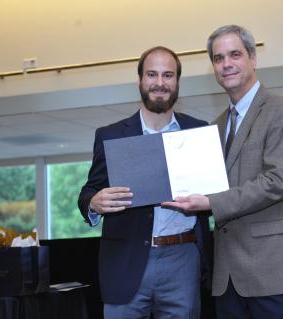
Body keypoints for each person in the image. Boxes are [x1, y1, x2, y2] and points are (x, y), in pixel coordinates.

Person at [162, 25, 283, 319]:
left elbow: (278, 181)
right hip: (228, 278)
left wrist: (211, 202)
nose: (226, 64)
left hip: (277, 271)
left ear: (253, 58)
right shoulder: (215, 125)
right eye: (218, 58)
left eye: (234, 54)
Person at [78, 46, 212, 319]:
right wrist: (93, 203)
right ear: (139, 80)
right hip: (125, 263)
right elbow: (89, 191)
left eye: (168, 75)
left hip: (182, 260)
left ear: (177, 82)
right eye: (152, 74)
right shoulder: (111, 135)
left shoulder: (198, 131)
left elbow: (215, 197)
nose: (160, 83)